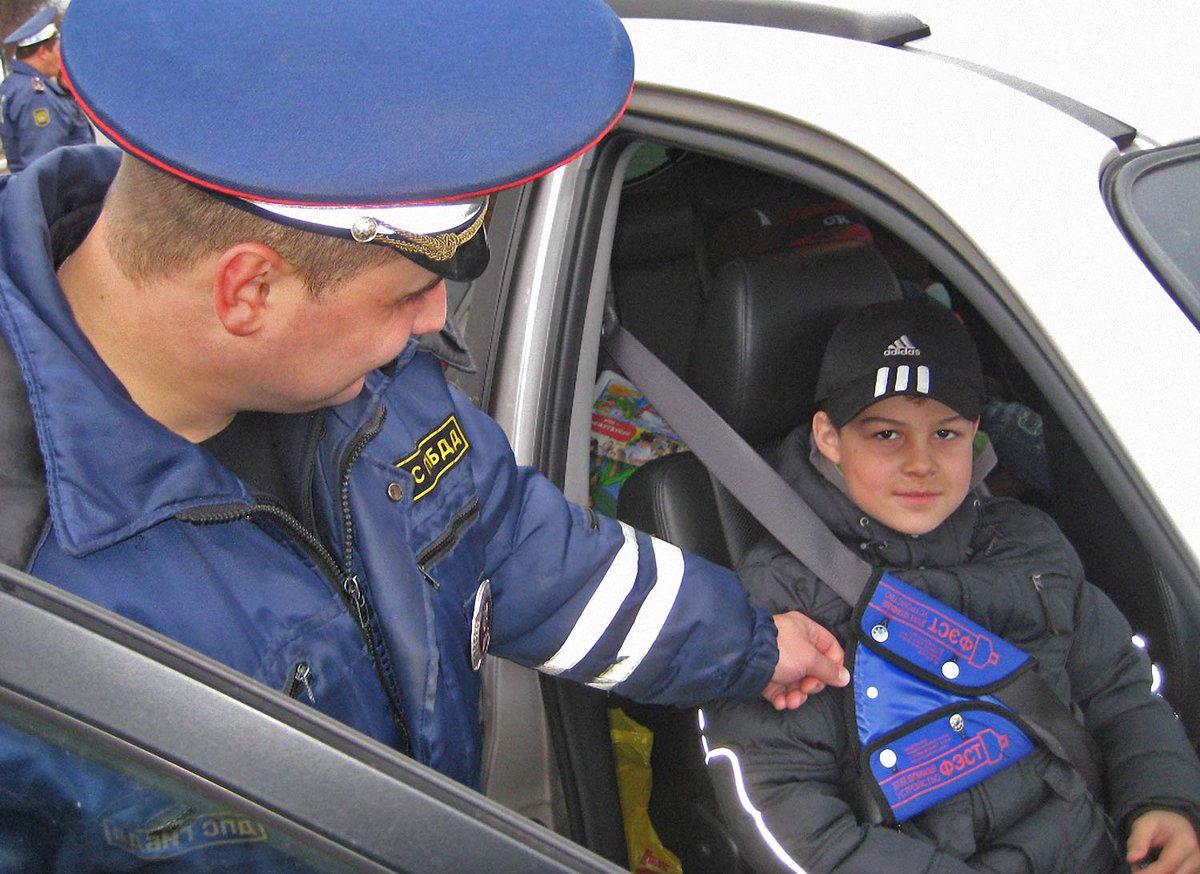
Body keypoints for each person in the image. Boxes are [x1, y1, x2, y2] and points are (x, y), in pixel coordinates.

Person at [0, 0, 848, 867]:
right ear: (248, 293)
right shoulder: (27, 581)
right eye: (407, 293)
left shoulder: (369, 382)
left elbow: (514, 544)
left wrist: (747, 644)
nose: (438, 318)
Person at [703, 298, 1200, 873]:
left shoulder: (1029, 544)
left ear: (975, 434)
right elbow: (786, 810)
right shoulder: (786, 595)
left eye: (946, 433)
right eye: (887, 434)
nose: (922, 463)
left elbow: (1120, 689)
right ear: (830, 438)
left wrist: (1162, 798)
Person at [0, 5, 93, 173]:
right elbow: (44, 168)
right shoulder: (36, 95)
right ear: (43, 52)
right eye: (58, 50)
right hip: (64, 195)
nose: (62, 56)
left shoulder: (14, 84)